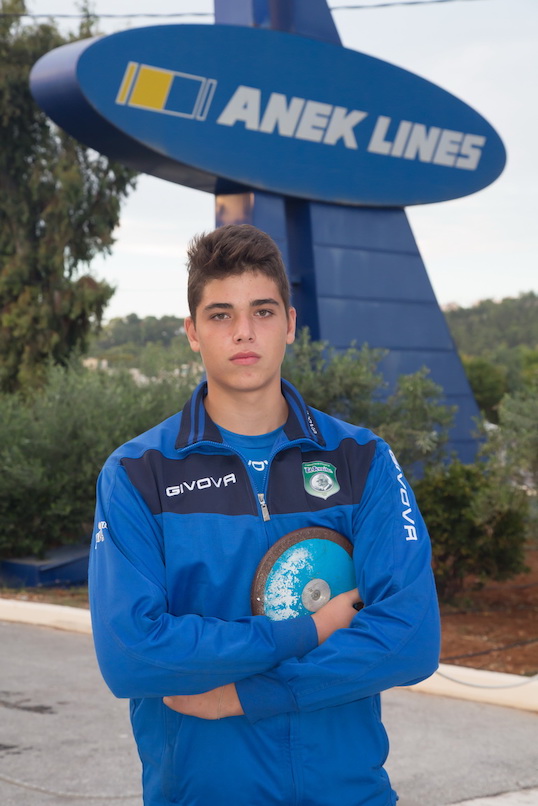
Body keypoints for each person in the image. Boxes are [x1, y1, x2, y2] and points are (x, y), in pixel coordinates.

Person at [89, 223, 440, 806]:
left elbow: (411, 637)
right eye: (220, 315)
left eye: (263, 311)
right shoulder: (138, 473)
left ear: (291, 324)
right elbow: (132, 654)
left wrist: (247, 695)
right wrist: (309, 630)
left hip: (350, 794)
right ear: (192, 332)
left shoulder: (361, 459)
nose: (244, 332)